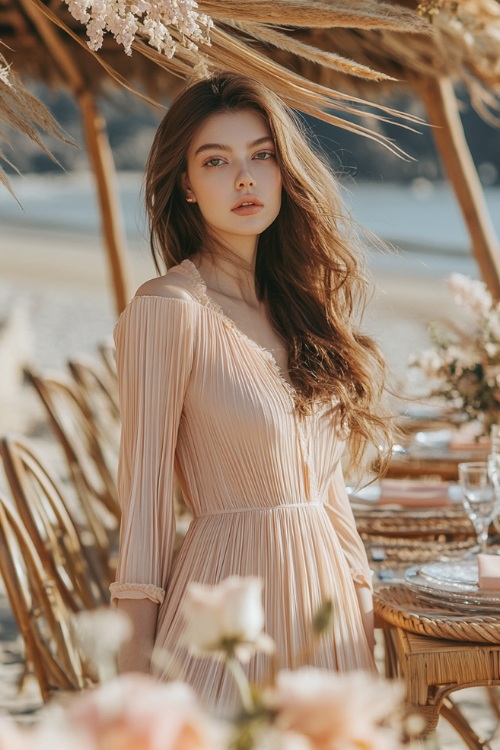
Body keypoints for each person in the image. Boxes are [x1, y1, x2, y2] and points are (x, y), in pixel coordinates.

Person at [110, 71, 393, 715]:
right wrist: (132, 691)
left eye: (260, 155)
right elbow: (145, 510)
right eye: (216, 161)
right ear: (185, 183)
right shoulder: (167, 310)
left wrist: (364, 619)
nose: (244, 178)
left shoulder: (302, 306)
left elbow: (329, 495)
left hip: (329, 622)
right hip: (227, 620)